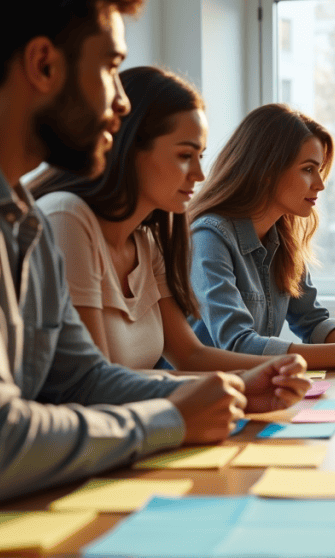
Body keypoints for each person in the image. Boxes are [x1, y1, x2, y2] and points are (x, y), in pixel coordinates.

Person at [0, 0, 309, 509]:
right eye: (111, 67)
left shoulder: (20, 214)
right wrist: (171, 418)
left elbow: (82, 378)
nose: (122, 102)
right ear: (43, 65)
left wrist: (231, 394)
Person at [30, 67, 307, 372]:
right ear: (130, 148)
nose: (199, 175)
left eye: (200, 157)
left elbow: (190, 357)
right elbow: (94, 384)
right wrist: (239, 383)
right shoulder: (67, 218)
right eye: (185, 156)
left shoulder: (147, 241)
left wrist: (267, 375)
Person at [187, 104, 335, 370]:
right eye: (308, 169)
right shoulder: (209, 236)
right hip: (198, 396)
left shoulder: (282, 240)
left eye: (319, 170)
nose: (320, 183)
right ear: (266, 170)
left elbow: (313, 323)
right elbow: (237, 343)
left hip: (247, 389)